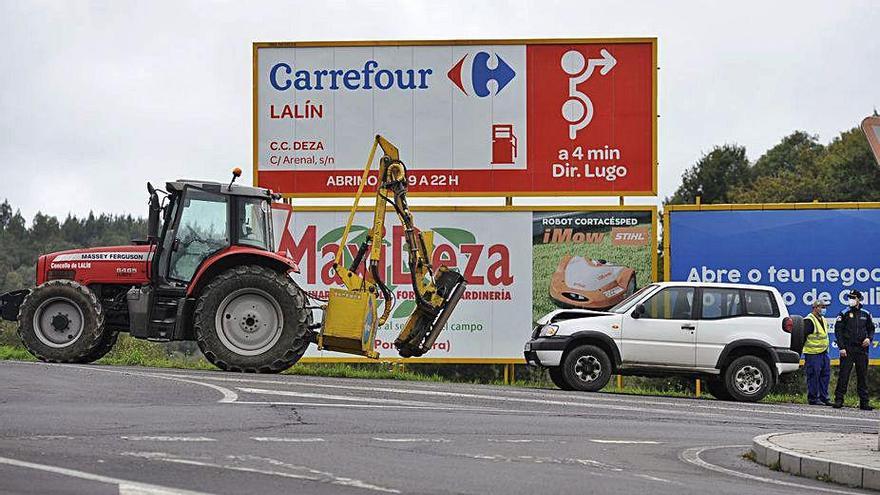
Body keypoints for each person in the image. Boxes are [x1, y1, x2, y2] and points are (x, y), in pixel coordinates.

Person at [832, 289, 875, 410]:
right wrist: (841, 348)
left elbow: (871, 329)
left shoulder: (866, 314)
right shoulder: (844, 313)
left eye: (853, 297)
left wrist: (869, 339)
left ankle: (864, 402)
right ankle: (839, 400)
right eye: (849, 297)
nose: (851, 299)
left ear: (858, 299)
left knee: (862, 375)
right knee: (844, 375)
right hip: (848, 349)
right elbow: (838, 331)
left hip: (862, 349)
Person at [803, 298, 832, 406]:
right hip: (813, 353)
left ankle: (824, 397)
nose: (824, 309)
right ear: (815, 308)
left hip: (824, 352)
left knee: (825, 375)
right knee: (813, 376)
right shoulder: (809, 320)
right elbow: (803, 336)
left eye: (825, 307)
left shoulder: (823, 319)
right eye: (822, 307)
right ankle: (813, 398)